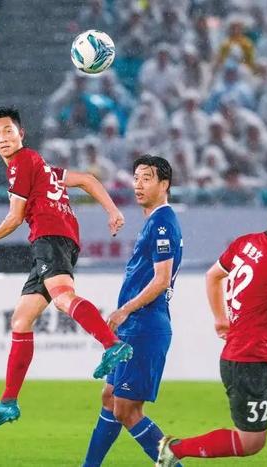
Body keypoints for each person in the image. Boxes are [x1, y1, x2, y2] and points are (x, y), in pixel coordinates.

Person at [0, 107, 133, 430]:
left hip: (50, 236)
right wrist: (112, 210)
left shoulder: (21, 163)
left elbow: (15, 216)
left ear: (21, 134)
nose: (3, 138)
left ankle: (112, 344)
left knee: (62, 298)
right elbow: (86, 180)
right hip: (58, 238)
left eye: (8, 131)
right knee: (21, 320)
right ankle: (8, 403)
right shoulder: (40, 165)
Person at [157, 191, 267, 467]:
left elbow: (213, 275)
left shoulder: (245, 243)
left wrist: (220, 319)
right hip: (248, 362)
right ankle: (175, 449)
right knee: (251, 443)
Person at [82, 155, 183, 466]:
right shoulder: (153, 221)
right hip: (136, 325)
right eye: (136, 178)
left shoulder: (163, 222)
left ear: (164, 184)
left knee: (127, 410)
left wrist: (124, 310)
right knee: (110, 398)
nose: (138, 184)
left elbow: (162, 279)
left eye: (147, 178)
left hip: (145, 325)